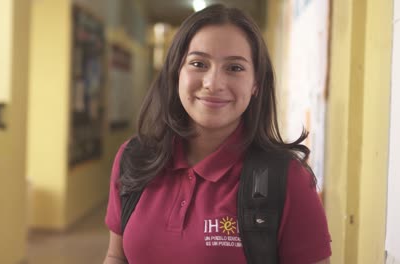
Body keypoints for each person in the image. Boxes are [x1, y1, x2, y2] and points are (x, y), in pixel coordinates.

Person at [103, 4, 331, 264]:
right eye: (198, 63)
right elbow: (116, 256)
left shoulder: (288, 179)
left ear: (256, 83)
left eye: (234, 68)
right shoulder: (133, 158)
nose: (213, 83)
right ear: (177, 72)